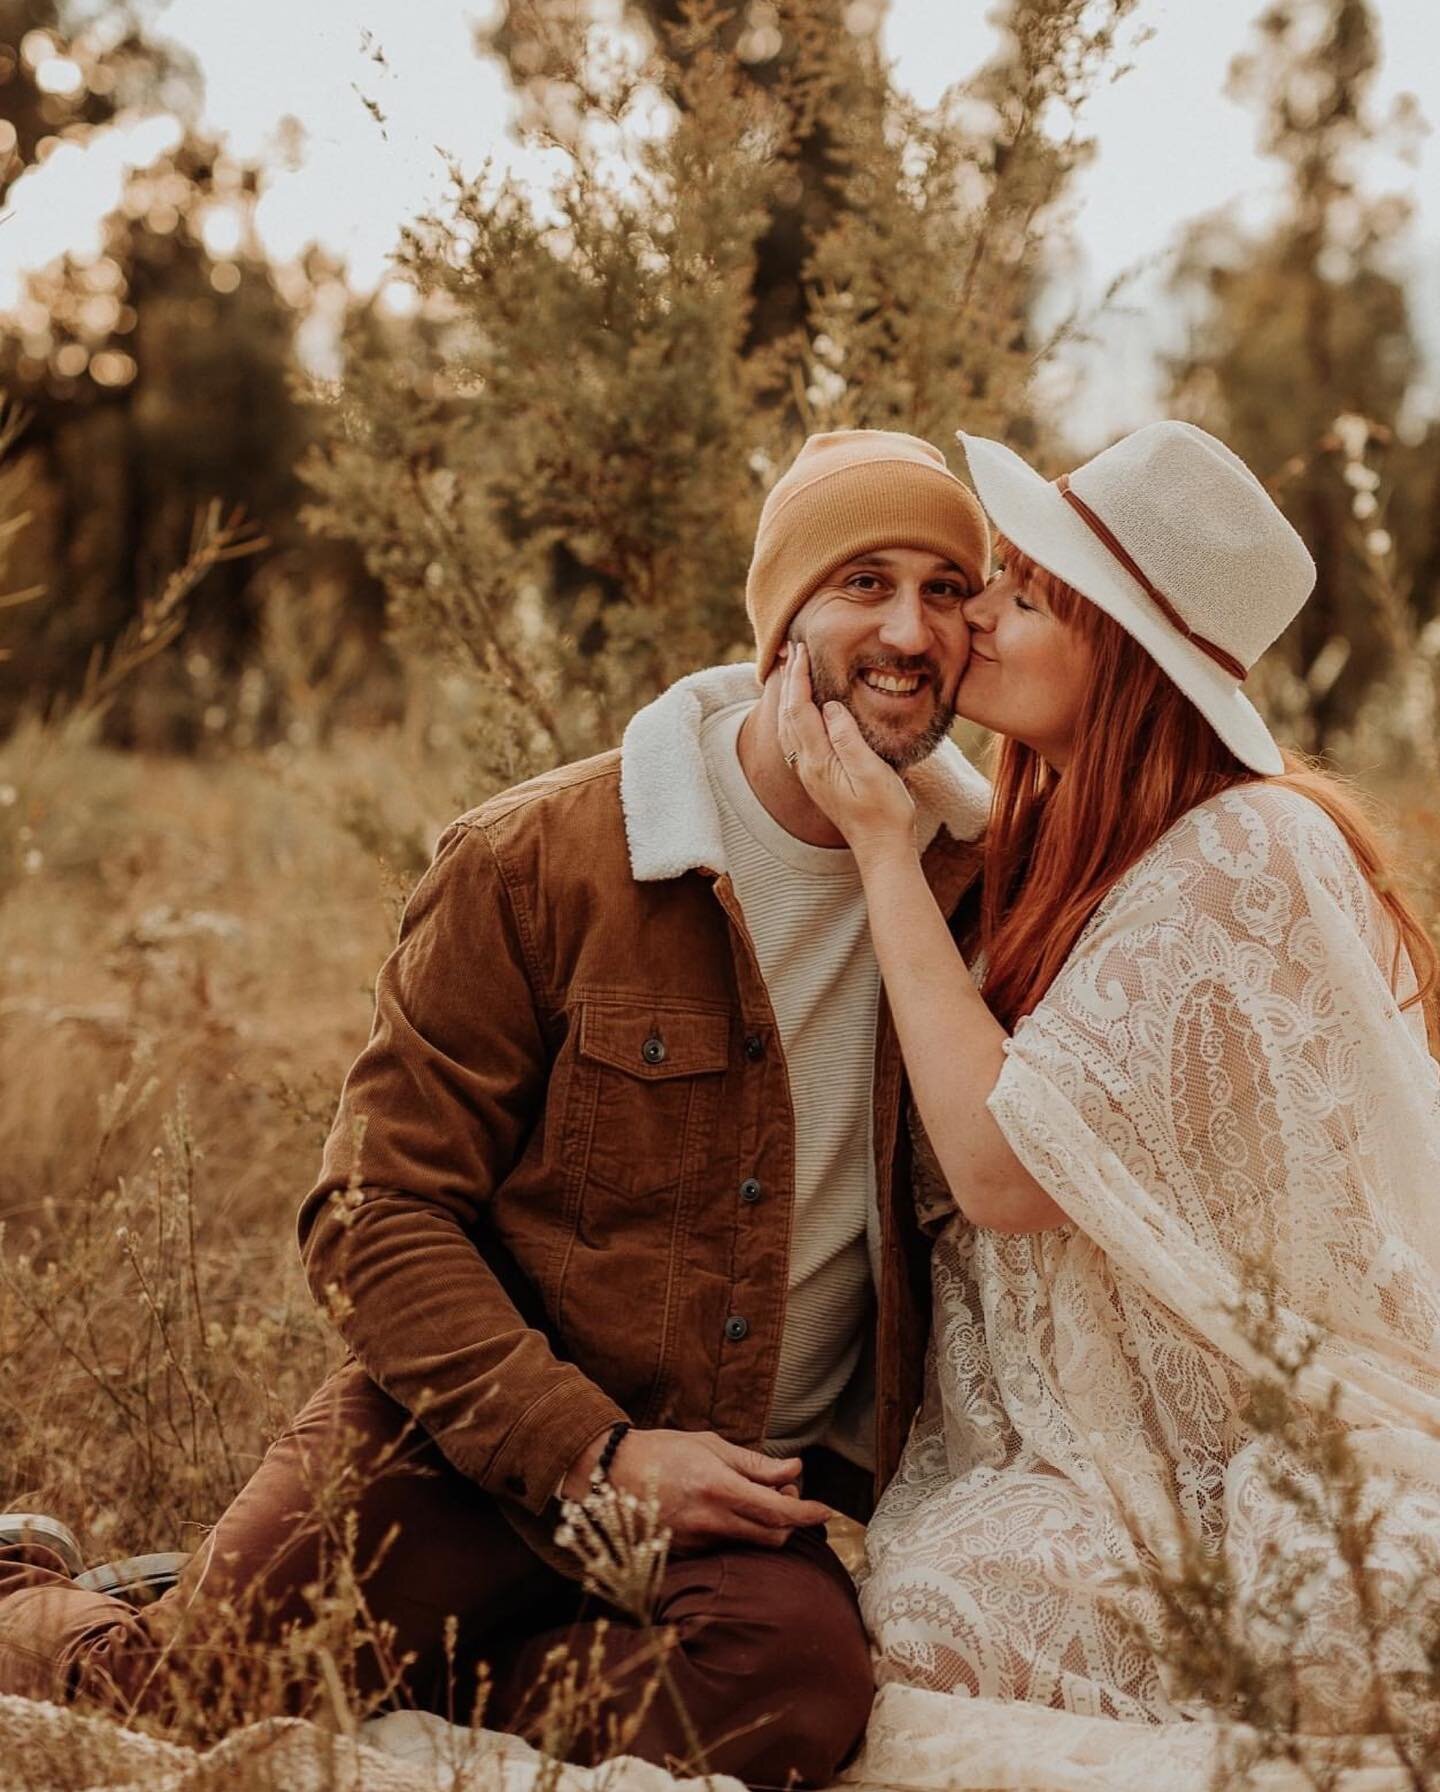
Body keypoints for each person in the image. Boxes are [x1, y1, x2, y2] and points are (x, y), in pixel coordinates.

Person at [0, 429, 993, 1788]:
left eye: (947, 590)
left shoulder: (977, 888)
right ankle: (29, 1593)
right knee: (195, 1697)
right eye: (865, 581)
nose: (909, 627)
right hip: (460, 1442)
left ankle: (419, 1671)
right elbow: (373, 1213)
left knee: (795, 1698)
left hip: (739, 1500)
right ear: (780, 626)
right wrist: (593, 1453)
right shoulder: (540, 860)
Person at [776, 420, 1440, 1753]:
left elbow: (1004, 1172)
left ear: (1122, 650)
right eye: (997, 579)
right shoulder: (1055, 841)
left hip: (1271, 1425)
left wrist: (881, 851)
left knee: (1333, 1606)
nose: (974, 620)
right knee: (934, 1610)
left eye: (1025, 596)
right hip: (1080, 1446)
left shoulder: (1246, 845)